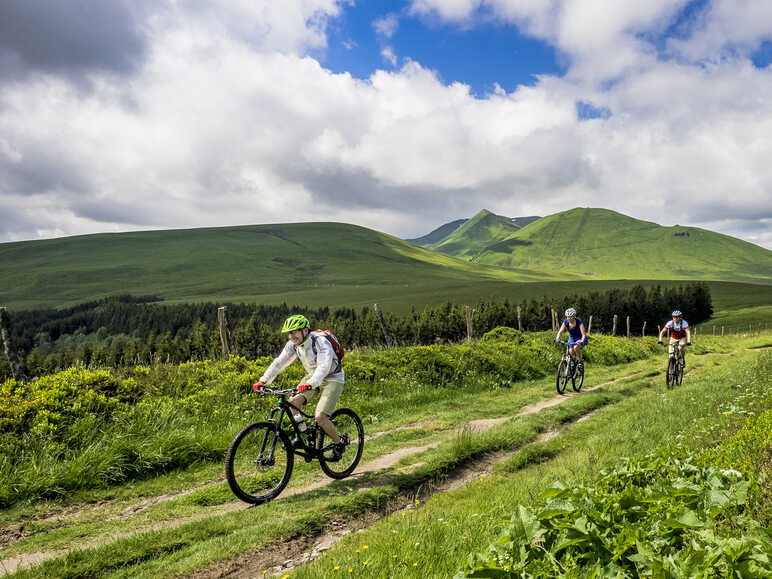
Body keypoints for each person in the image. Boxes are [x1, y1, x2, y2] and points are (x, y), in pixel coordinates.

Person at [252, 314, 346, 460]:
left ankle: (339, 443)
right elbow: (279, 363)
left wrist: (310, 384)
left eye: (295, 332)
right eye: (289, 333)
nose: (291, 336)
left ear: (305, 330)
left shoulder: (320, 341)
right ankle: (302, 435)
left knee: (320, 417)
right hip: (313, 377)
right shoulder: (293, 345)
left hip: (333, 378)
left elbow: (324, 366)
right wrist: (263, 380)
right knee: (293, 403)